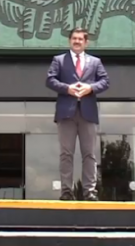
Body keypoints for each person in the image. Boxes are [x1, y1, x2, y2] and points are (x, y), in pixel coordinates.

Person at [46, 28, 110, 201]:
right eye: (74, 38)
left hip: (88, 113)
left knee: (89, 154)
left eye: (80, 39)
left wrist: (91, 88)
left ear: (86, 42)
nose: (77, 41)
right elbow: (50, 80)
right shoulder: (59, 60)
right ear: (70, 41)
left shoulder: (95, 62)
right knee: (66, 154)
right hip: (66, 113)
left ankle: (89, 192)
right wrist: (67, 88)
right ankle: (66, 191)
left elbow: (105, 81)